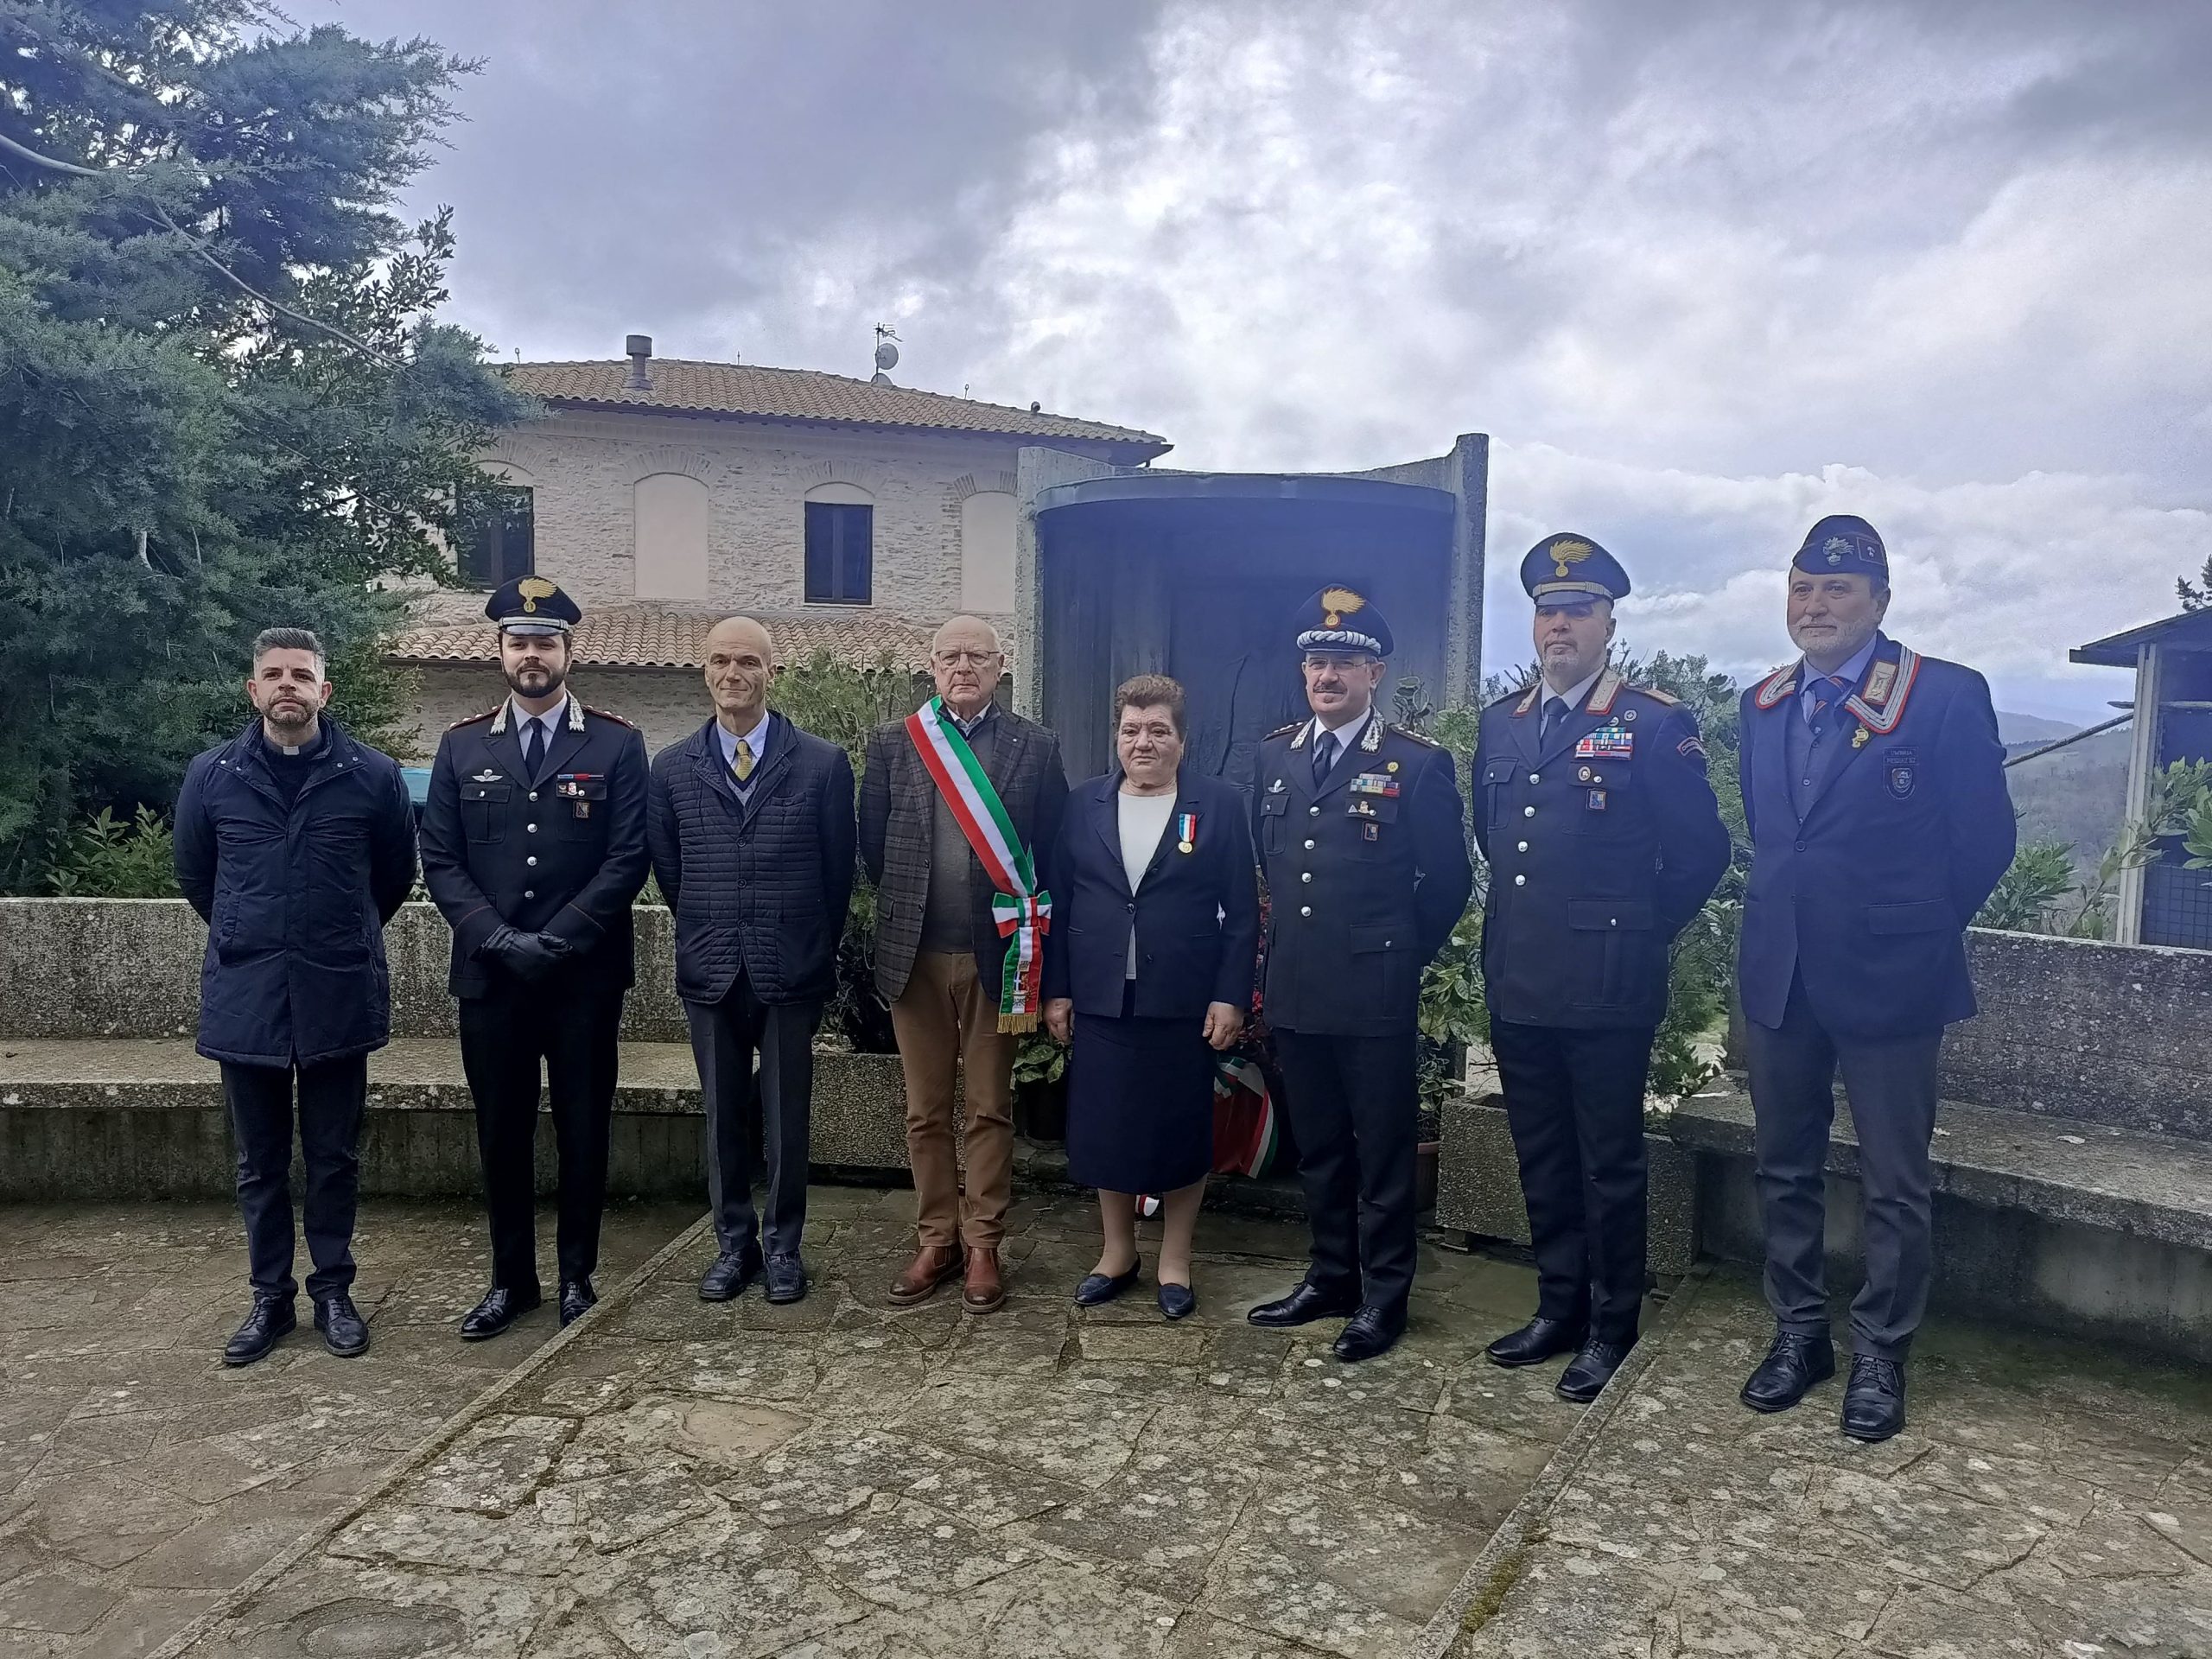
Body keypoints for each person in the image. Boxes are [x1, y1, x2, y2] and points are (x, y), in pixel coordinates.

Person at [1735, 515, 2014, 1442]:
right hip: (1781, 969)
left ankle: (1882, 1352)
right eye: (1802, 589)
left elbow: (1984, 841)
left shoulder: (1942, 695)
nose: (1815, 606)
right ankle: (1798, 1334)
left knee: (1895, 1179)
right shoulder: (1762, 703)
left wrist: (1913, 928)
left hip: (1893, 975)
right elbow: (1777, 840)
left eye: (1837, 590)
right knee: (1783, 1165)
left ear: (1880, 601)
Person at [1471, 536, 1732, 1402]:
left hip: (1608, 983)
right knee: (1541, 1154)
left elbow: (1701, 853)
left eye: (1578, 611)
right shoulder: (1502, 723)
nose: (1560, 626)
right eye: (1547, 612)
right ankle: (1558, 1308)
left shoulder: (1653, 724)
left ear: (1608, 623)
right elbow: (1497, 840)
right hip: (1520, 976)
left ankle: (1613, 1326)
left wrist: (1637, 930)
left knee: (1608, 1163)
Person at [173, 628, 416, 1365]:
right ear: (254, 690)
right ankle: (270, 1298)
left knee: (335, 1156)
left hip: (337, 987)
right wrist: (251, 933)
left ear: (323, 691)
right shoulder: (211, 775)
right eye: (274, 674)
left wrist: (332, 934)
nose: (288, 685)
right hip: (246, 994)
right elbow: (197, 877)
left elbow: (392, 878)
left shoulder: (372, 775)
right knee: (260, 1161)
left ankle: (334, 1291)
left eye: (301, 675)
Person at [418, 577, 651, 1338]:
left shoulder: (616, 743)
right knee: (501, 1131)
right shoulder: (462, 745)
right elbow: (440, 858)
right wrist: (498, 939)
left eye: (545, 643)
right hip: (491, 978)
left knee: (584, 1128)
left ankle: (578, 1276)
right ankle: (511, 1281)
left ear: (568, 653)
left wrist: (561, 938)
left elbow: (628, 856)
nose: (532, 656)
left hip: (582, 977)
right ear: (500, 652)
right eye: (519, 643)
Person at [1246, 588, 1474, 1361]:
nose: (1327, 675)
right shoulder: (1275, 754)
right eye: (1317, 661)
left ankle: (1384, 1297)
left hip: (1374, 988)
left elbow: (1448, 881)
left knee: (1382, 1150)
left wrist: (1398, 952)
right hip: (1297, 984)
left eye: (1344, 662)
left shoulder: (1416, 762)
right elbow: (1269, 863)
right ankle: (1330, 1276)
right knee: (1318, 1147)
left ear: (1374, 674)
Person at [860, 615, 1070, 1313]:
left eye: (977, 655)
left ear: (1000, 666)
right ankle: (937, 1239)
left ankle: (983, 1244)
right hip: (914, 955)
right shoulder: (895, 742)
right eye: (950, 655)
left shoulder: (1036, 746)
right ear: (931, 664)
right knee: (924, 1111)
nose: (963, 667)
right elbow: (873, 846)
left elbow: (1052, 850)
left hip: (995, 958)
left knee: (988, 1107)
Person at [648, 616, 855, 1306]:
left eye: (747, 662)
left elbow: (836, 875)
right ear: (703, 670)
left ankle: (784, 1247)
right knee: (722, 1114)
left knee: (787, 1116)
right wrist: (713, 925)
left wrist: (807, 943)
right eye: (719, 661)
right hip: (710, 966)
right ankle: (733, 1245)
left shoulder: (822, 764)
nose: (732, 673)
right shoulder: (671, 767)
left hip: (791, 966)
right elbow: (671, 872)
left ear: (772, 672)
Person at [1041, 675, 1260, 1319]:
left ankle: (1174, 1260)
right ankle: (1117, 1253)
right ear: (1117, 737)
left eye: (1159, 730)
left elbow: (1241, 912)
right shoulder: (1082, 804)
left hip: (1182, 999)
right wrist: (1058, 991)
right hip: (1102, 995)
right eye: (1132, 729)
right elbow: (1061, 902)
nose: (1144, 742)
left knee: (1179, 1129)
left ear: (1182, 740)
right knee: (1106, 1129)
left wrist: (1230, 997)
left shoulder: (1219, 805)